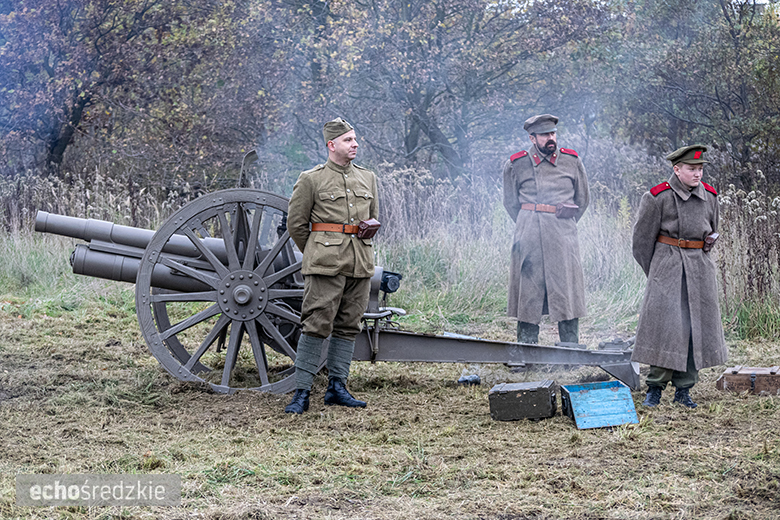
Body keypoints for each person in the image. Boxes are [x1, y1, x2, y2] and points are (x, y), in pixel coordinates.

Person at [283, 117, 378, 414]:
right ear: (331, 144)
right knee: (315, 325)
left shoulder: (368, 178)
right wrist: (317, 251)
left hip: (359, 262)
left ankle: (338, 387)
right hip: (325, 264)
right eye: (349, 140)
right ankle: (302, 392)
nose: (355, 144)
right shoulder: (312, 179)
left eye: (355, 139)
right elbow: (297, 225)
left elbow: (373, 218)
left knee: (349, 325)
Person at [632, 144, 728, 408]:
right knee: (665, 327)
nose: (697, 174)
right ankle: (655, 387)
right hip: (667, 268)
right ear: (677, 169)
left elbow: (713, 232)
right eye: (691, 169)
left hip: (699, 270)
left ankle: (684, 389)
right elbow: (641, 243)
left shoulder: (710, 196)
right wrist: (657, 273)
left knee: (694, 328)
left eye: (700, 169)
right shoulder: (657, 197)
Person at [502, 114, 590, 345]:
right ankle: (526, 350)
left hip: (563, 236)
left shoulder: (572, 161)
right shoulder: (516, 164)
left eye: (552, 134)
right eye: (544, 135)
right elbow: (510, 203)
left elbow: (583, 199)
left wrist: (561, 223)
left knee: (566, 292)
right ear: (532, 138)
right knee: (528, 294)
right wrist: (529, 221)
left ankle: (570, 351)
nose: (551, 139)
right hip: (528, 235)